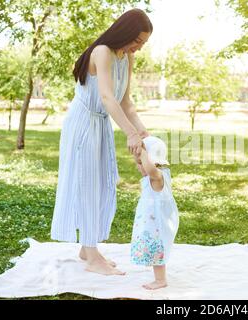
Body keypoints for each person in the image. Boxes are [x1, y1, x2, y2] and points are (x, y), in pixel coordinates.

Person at [51, 8, 152, 276]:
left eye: (143, 44)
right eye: (138, 41)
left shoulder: (126, 58)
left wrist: (143, 132)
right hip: (83, 124)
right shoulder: (102, 52)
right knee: (86, 184)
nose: (139, 48)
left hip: (101, 124)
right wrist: (129, 134)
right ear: (127, 32)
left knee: (101, 183)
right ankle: (92, 255)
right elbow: (107, 98)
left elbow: (125, 102)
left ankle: (88, 249)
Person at [130, 136, 179, 290]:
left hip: (158, 223)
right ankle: (158, 275)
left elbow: (150, 169)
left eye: (140, 163)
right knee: (154, 247)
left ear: (152, 161)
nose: (138, 167)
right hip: (152, 221)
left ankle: (160, 280)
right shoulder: (154, 176)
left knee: (158, 249)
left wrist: (143, 153)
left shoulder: (157, 176)